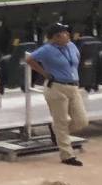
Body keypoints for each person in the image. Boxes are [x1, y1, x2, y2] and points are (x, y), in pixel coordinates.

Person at [23, 21, 88, 166]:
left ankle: (57, 132)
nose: (68, 35)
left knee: (81, 121)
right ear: (55, 37)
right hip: (56, 87)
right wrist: (45, 73)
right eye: (64, 33)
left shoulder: (72, 46)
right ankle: (67, 155)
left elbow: (75, 63)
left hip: (73, 87)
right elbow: (29, 59)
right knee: (61, 122)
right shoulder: (47, 49)